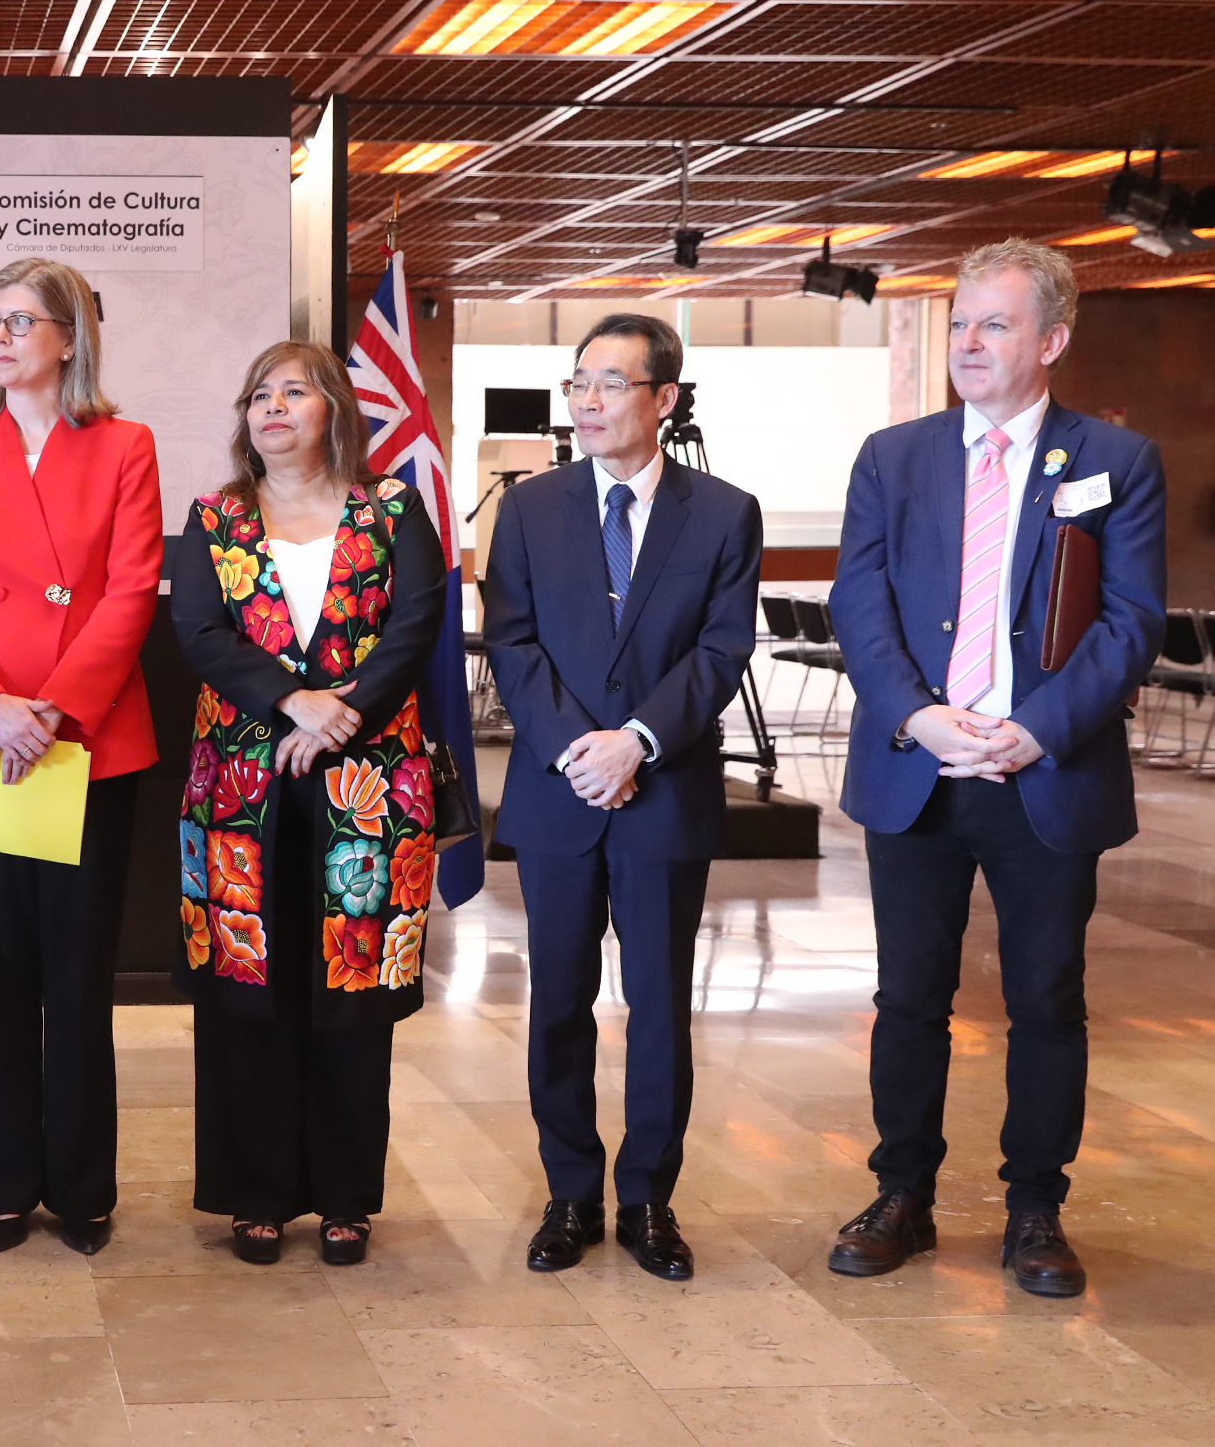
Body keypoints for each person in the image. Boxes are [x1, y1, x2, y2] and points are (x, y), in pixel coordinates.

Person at [825, 241, 1164, 1298]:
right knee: (907, 998)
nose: (967, 342)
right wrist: (917, 715)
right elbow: (858, 602)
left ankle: (1034, 1211)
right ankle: (901, 1196)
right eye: (961, 322)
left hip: (1044, 776)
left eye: (995, 324)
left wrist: (1035, 729)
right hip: (917, 770)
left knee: (1046, 1000)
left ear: (1051, 340)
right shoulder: (893, 456)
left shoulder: (1115, 459)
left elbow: (1130, 621)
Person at [481, 312, 761, 1283]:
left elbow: (722, 649)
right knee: (557, 999)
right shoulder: (529, 508)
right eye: (578, 383)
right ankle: (569, 1193)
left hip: (664, 792)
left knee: (658, 1003)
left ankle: (647, 1199)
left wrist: (636, 741)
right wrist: (578, 749)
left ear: (663, 398)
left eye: (610, 382)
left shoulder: (723, 512)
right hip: (558, 794)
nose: (588, 401)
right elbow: (511, 642)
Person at [0, 257, 162, 1257]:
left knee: (80, 975)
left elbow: (131, 590)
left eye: (21, 320)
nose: (1, 336)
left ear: (69, 336)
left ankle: (84, 1188)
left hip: (85, 741)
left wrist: (53, 708)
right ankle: (4, 1182)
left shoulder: (124, 444)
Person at [171, 341, 443, 1267]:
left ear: (335, 409)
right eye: (260, 394)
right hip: (239, 787)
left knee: (349, 987)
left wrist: (340, 716)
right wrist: (293, 702)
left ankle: (344, 1197)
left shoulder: (393, 508)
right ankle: (254, 1193)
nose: (273, 407)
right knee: (249, 986)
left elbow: (415, 624)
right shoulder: (216, 517)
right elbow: (200, 631)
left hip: (367, 785)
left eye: (294, 391)